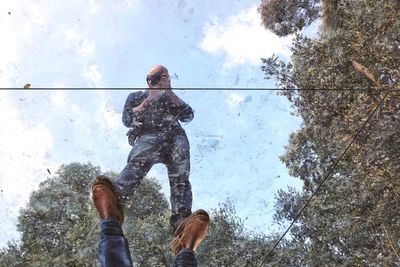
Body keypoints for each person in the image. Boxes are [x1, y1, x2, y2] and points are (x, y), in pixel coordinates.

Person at [91, 65, 209, 266]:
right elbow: (128, 120)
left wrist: (169, 92)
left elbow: (187, 115)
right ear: (147, 79)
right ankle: (117, 199)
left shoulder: (170, 97)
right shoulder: (137, 96)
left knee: (180, 177)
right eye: (154, 77)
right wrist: (149, 100)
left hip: (174, 135)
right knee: (137, 163)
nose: (157, 80)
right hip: (149, 134)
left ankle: (181, 224)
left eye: (163, 77)